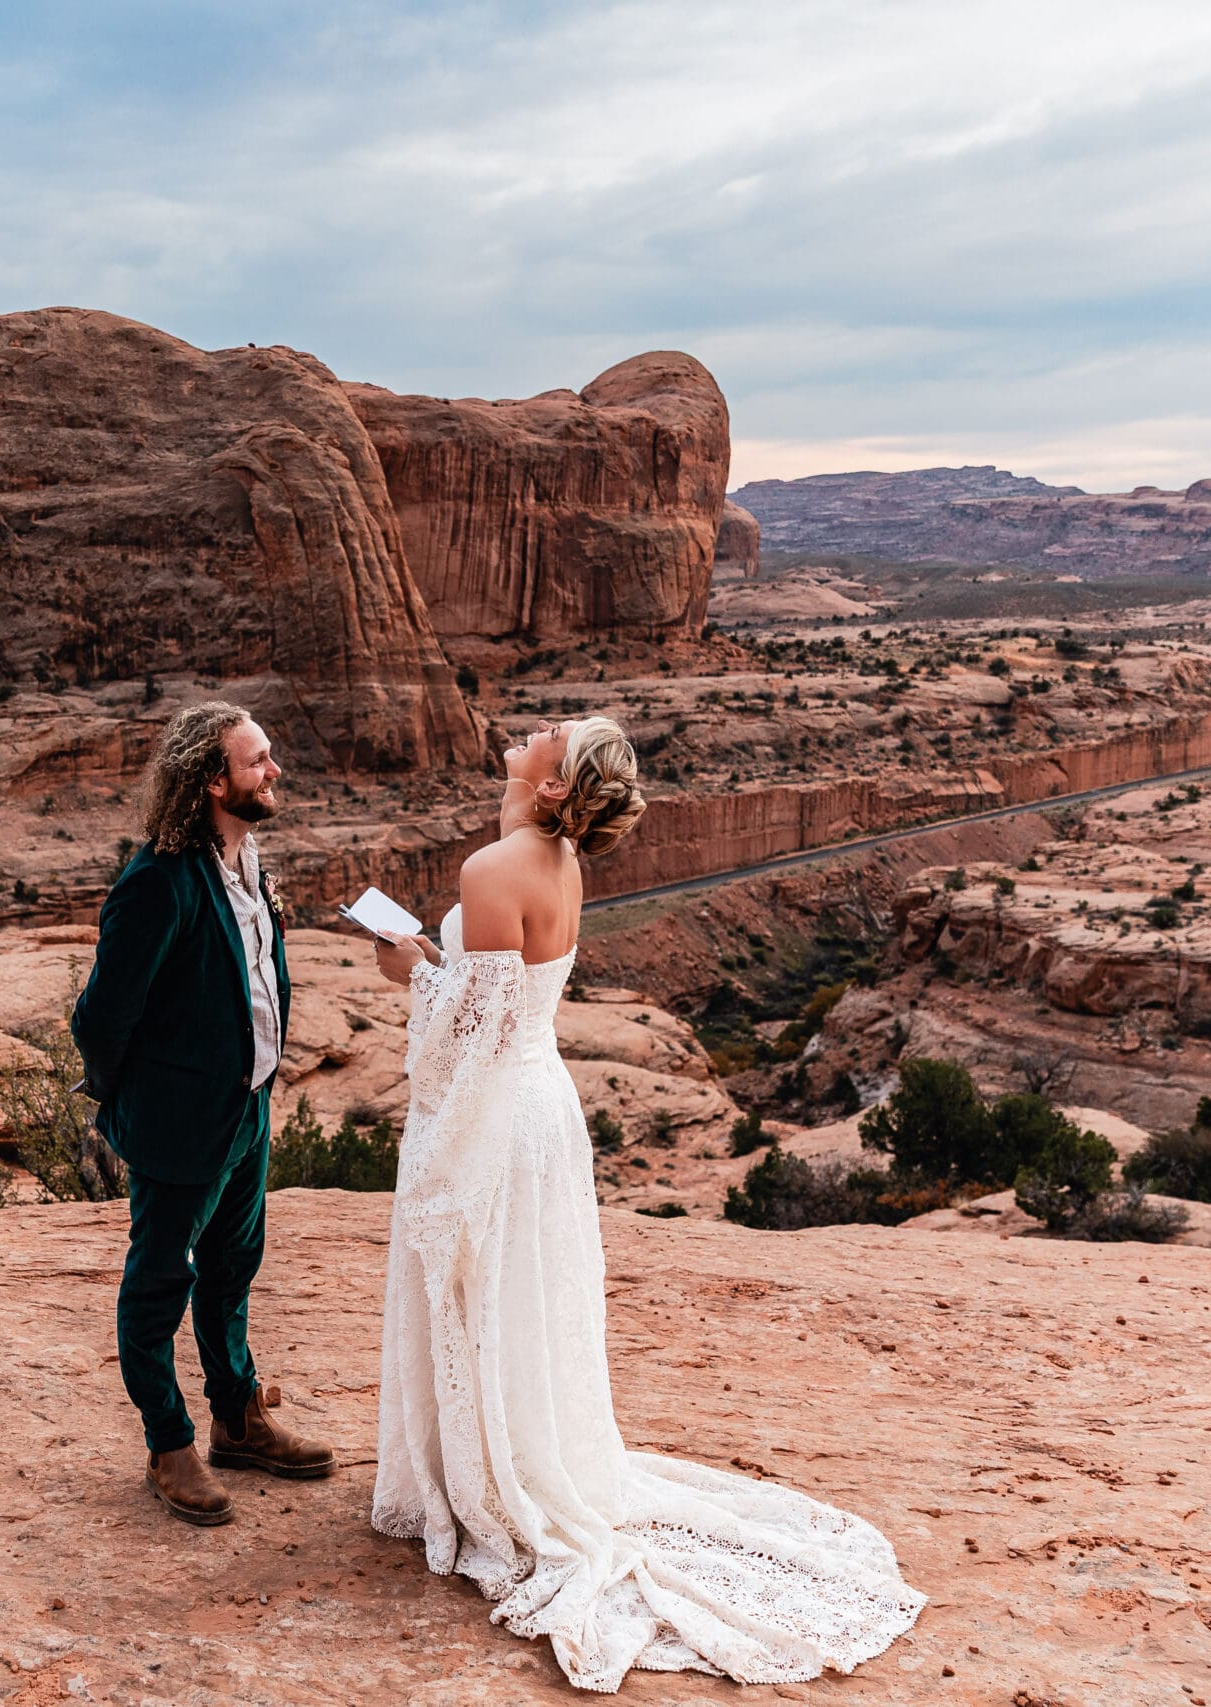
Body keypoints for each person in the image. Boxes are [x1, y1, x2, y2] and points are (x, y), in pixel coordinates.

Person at [367, 716, 925, 1690]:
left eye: (555, 734)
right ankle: (493, 1467)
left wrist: (410, 970)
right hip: (541, 1110)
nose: (539, 727)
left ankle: (489, 1486)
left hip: (500, 1117)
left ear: (550, 787)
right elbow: (501, 1010)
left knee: (481, 1291)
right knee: (514, 1304)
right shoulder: (554, 858)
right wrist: (439, 975)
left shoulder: (494, 870)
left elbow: (476, 1039)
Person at [71, 702, 335, 1526]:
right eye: (258, 760)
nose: (274, 770)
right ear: (213, 780)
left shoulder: (248, 858)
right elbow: (101, 1019)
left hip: (247, 1113)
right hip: (184, 1126)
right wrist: (132, 1106)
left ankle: (236, 1416)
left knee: (232, 1270)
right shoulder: (159, 881)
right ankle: (169, 1438)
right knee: (159, 1285)